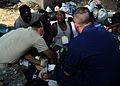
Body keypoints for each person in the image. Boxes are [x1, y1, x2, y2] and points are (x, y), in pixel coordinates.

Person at [54, 7, 120, 86]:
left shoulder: (77, 43)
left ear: (75, 25)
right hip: (116, 77)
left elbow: (67, 73)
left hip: (98, 82)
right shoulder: (107, 33)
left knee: (59, 73)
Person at [0, 20, 55, 86]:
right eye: (44, 31)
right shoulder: (36, 38)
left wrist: (39, 62)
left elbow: (23, 52)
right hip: (3, 65)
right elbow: (50, 55)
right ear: (41, 28)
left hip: (3, 59)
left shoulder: (21, 30)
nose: (43, 34)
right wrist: (56, 58)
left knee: (21, 69)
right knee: (21, 82)